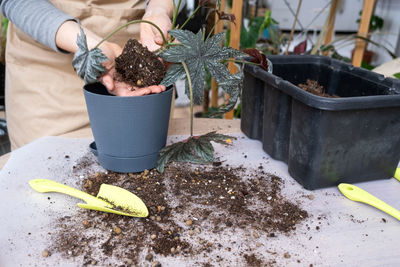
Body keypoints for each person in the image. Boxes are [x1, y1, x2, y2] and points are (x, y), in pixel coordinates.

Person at [0, 0, 183, 150]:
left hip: (140, 39)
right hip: (46, 65)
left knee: (143, 176)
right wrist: (86, 43)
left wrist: (159, 9)